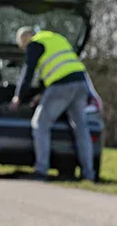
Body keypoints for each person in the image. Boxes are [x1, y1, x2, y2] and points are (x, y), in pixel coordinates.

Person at [9, 26, 95, 182]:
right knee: (81, 128)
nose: (24, 49)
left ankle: (41, 170)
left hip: (61, 86)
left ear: (24, 39)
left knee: (40, 124)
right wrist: (41, 94)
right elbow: (56, 67)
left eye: (22, 46)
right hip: (81, 83)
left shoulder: (34, 44)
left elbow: (28, 72)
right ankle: (88, 174)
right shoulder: (55, 38)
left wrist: (18, 97)